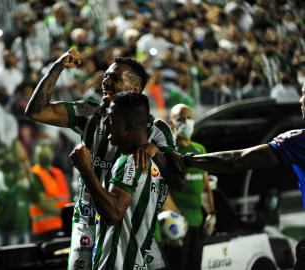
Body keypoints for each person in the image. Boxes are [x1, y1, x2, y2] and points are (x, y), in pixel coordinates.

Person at [25, 49, 181, 269]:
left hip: (132, 224)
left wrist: (158, 152)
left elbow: (177, 178)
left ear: (134, 89)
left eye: (114, 77)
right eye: (105, 75)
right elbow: (36, 112)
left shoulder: (156, 130)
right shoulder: (88, 113)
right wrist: (57, 66)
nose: (105, 80)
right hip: (88, 220)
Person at [179, 82, 305, 270]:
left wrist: (186, 161)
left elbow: (236, 160)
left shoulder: (297, 142)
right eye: (301, 93)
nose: (301, 100)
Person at [70, 92, 170, 269]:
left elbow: (113, 213)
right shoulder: (155, 163)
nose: (106, 124)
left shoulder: (130, 161)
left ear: (129, 126)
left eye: (111, 119)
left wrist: (86, 169)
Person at [164, 104, 216, 270]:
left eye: (188, 118)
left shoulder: (199, 149)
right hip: (176, 227)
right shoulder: (168, 151)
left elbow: (206, 186)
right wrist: (173, 221)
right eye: (180, 119)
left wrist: (212, 214)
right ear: (171, 123)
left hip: (198, 224)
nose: (186, 122)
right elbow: (162, 191)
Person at [29, 141, 71, 240]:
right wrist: (65, 214)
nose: (44, 155)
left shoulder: (58, 173)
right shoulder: (34, 174)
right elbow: (42, 203)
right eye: (41, 153)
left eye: (47, 152)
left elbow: (66, 198)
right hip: (45, 230)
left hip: (64, 226)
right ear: (35, 157)